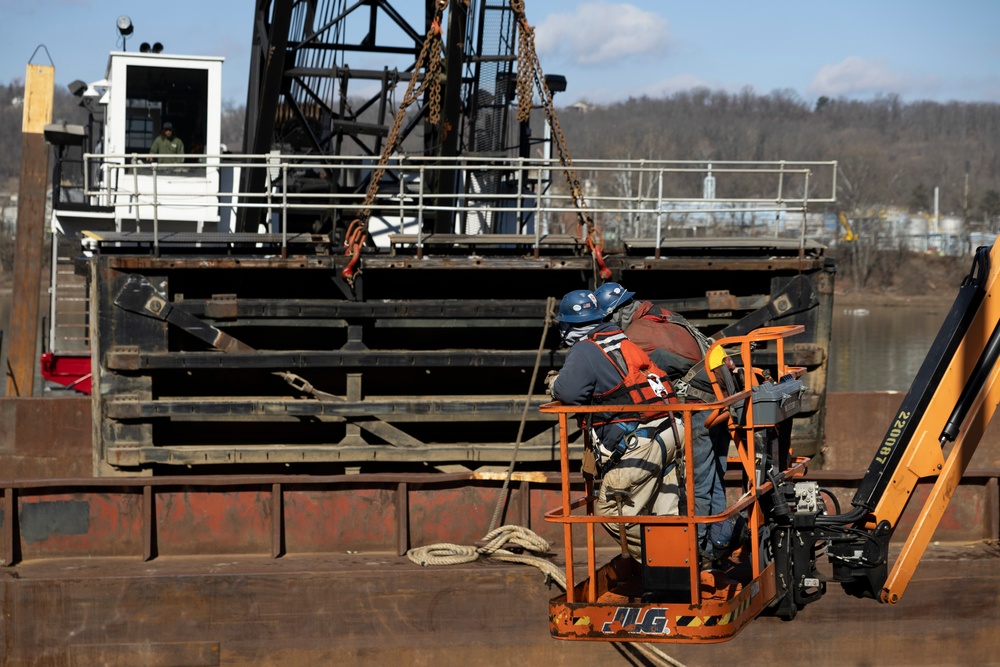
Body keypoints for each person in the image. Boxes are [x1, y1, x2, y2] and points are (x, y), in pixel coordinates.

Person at [594, 282, 740, 566]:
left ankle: (696, 551)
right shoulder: (663, 315)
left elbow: (622, 372)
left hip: (700, 408)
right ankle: (715, 544)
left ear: (616, 313)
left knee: (695, 479)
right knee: (714, 474)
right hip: (721, 400)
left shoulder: (638, 334)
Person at [549, 289, 684, 560]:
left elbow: (570, 393)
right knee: (663, 510)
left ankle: (669, 560)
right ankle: (676, 570)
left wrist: (554, 384)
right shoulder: (620, 337)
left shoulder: (584, 349)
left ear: (568, 326)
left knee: (612, 511)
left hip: (641, 443)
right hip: (671, 430)